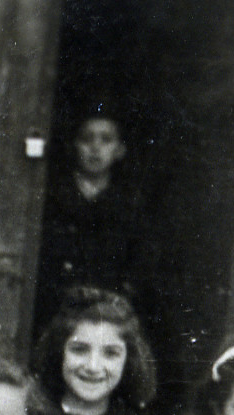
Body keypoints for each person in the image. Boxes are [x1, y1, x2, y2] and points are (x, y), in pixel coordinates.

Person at [33, 112, 148, 333]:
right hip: (57, 304)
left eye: (106, 140)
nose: (95, 148)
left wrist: (123, 295)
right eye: (87, 139)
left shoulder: (129, 203)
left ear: (119, 150)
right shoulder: (53, 195)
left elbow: (140, 259)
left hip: (108, 306)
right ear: (74, 146)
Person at [32, 288, 165, 415]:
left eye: (110, 353)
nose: (93, 366)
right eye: (79, 350)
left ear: (129, 360)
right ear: (59, 351)